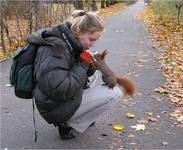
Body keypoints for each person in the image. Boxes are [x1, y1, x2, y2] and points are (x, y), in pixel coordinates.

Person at [27, 10, 123, 140]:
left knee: (92, 76)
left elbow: (70, 71)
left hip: (53, 100)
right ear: (79, 32)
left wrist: (91, 65)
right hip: (54, 108)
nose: (93, 44)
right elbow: (60, 90)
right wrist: (83, 64)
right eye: (91, 39)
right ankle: (70, 126)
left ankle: (79, 115)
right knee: (115, 93)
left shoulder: (68, 40)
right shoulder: (56, 49)